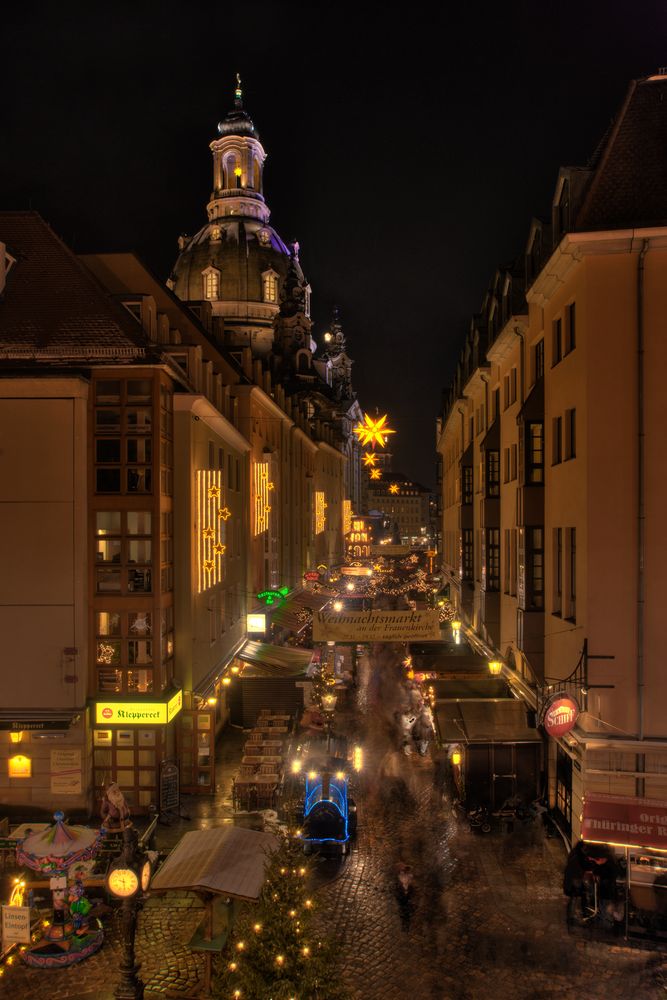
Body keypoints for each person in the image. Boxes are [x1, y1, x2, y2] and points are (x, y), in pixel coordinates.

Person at [395, 862, 416, 931]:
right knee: (404, 910)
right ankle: (405, 923)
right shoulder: (401, 877)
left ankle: (406, 923)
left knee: (405, 910)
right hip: (403, 896)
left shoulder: (408, 876)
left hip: (406, 896)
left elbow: (410, 886)